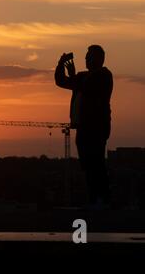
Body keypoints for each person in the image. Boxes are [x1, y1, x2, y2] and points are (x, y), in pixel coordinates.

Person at [55, 45, 113, 209]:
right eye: (86, 57)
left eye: (89, 57)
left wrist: (73, 76)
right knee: (88, 165)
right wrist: (60, 64)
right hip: (83, 127)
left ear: (99, 59)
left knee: (96, 163)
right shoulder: (83, 77)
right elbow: (61, 81)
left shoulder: (104, 75)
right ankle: (94, 199)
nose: (86, 60)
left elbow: (87, 88)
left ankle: (102, 199)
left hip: (96, 127)